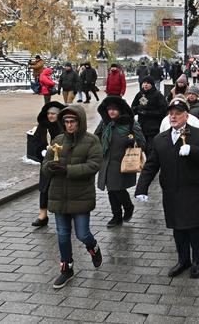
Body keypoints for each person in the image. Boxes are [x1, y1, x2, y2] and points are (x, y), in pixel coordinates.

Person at [135, 97, 199, 278]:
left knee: (193, 228)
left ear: (186, 116)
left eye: (178, 114)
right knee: (178, 228)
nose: (173, 117)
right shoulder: (160, 139)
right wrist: (142, 188)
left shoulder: (198, 135)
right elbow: (151, 165)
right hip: (171, 191)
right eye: (171, 113)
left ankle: (197, 261)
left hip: (193, 191)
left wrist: (193, 150)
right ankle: (183, 260)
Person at [42, 105, 103, 289]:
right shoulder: (58, 140)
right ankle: (66, 268)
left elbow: (94, 165)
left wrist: (68, 169)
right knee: (62, 235)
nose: (69, 125)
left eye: (73, 121)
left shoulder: (92, 140)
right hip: (59, 195)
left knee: (82, 234)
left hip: (80, 195)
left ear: (80, 122)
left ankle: (93, 247)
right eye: (66, 122)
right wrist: (49, 167)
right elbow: (45, 165)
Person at [94, 97, 146, 227]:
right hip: (107, 161)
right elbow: (96, 137)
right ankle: (116, 216)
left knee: (117, 189)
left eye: (114, 109)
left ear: (120, 110)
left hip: (122, 161)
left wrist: (132, 141)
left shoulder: (130, 123)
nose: (111, 112)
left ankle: (128, 207)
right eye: (109, 109)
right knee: (112, 190)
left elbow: (142, 143)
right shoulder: (105, 122)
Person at [31, 101, 65, 227]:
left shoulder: (65, 126)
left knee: (61, 187)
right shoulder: (42, 126)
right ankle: (43, 215)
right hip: (46, 162)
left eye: (54, 114)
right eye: (49, 113)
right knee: (44, 188)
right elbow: (35, 142)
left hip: (62, 162)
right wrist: (42, 151)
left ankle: (65, 212)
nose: (51, 116)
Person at [130, 76, 167, 154]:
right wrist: (138, 108)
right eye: (144, 83)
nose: (145, 85)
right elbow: (132, 108)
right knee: (141, 148)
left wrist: (148, 113)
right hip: (141, 127)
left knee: (150, 149)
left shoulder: (158, 95)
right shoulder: (139, 94)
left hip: (153, 128)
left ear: (152, 84)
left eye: (148, 83)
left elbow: (163, 111)